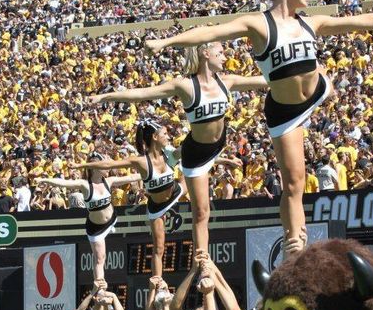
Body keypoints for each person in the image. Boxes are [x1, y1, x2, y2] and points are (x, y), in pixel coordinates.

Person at [145, 0, 373, 255]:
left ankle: (326, 85)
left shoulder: (311, 22)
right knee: (294, 183)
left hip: (316, 91)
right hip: (287, 113)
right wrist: (166, 42)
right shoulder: (259, 24)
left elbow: (360, 21)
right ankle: (295, 246)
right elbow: (210, 32)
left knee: (328, 82)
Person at [90, 48, 265, 258]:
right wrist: (105, 96)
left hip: (216, 147)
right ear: (205, 53)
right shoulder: (186, 85)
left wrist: (311, 71)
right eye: (220, 52)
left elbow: (265, 80)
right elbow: (143, 93)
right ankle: (202, 262)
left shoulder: (226, 81)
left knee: (202, 210)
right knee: (202, 211)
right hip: (196, 154)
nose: (226, 56)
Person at [79, 120, 185, 276]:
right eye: (164, 134)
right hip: (157, 207)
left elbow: (190, 150)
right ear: (155, 137)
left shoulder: (169, 152)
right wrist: (82, 166)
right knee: (159, 248)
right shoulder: (140, 161)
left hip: (175, 193)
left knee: (193, 175)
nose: (168, 137)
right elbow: (111, 165)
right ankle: (158, 284)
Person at [37, 154, 140, 280]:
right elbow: (64, 183)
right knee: (100, 258)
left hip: (112, 220)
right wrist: (45, 180)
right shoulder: (85, 185)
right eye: (104, 166)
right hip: (97, 228)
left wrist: (152, 171)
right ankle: (100, 287)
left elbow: (132, 177)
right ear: (95, 168)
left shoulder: (109, 181)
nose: (108, 168)